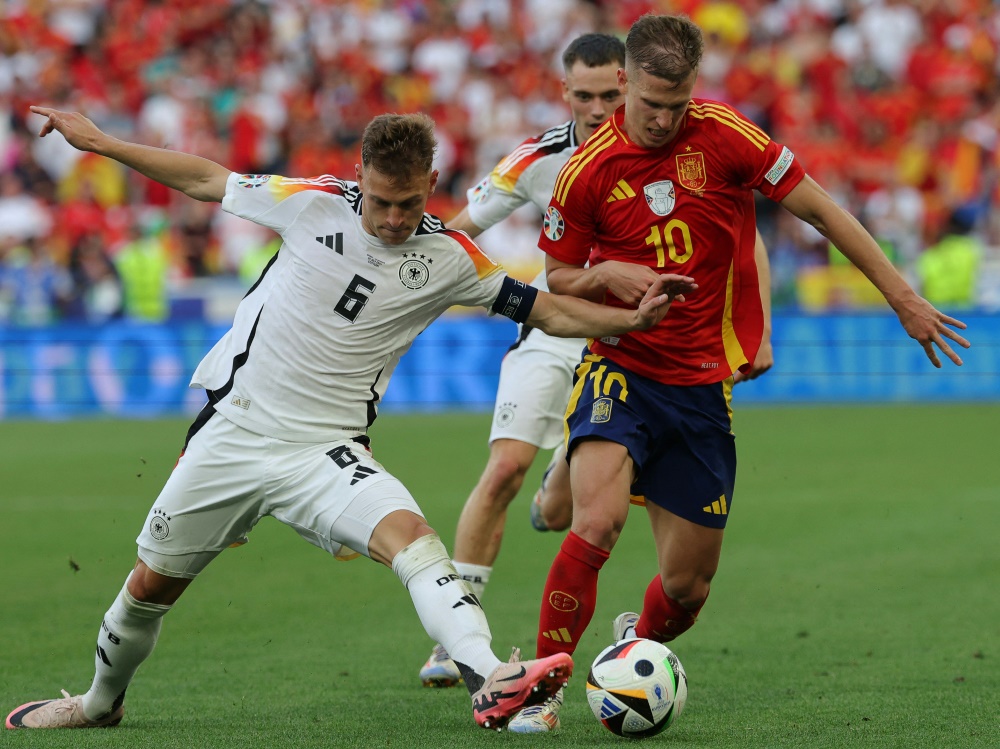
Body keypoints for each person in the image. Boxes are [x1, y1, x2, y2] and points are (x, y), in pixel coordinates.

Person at [6, 105, 698, 732]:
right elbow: (202, 179)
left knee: (415, 541)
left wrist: (628, 320)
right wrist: (99, 141)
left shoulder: (449, 258)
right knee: (150, 585)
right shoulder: (308, 205)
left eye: (411, 202)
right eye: (382, 202)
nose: (396, 219)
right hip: (236, 432)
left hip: (326, 451)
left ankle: (489, 676)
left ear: (431, 182)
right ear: (358, 174)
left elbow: (545, 308)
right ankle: (100, 702)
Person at [509, 14, 970, 733]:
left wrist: (902, 296)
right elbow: (558, 277)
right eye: (651, 104)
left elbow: (822, 210)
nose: (664, 119)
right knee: (595, 523)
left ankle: (636, 638)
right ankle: (539, 695)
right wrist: (612, 275)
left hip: (700, 388)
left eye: (679, 103)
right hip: (621, 367)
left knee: (688, 588)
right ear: (624, 82)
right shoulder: (585, 170)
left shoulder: (725, 136)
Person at [417, 33, 775, 710]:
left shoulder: (683, 142)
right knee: (510, 475)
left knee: (598, 520)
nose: (596, 107)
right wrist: (404, 277)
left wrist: (759, 321)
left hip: (657, 339)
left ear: (629, 84)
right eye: (582, 96)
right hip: (565, 327)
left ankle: (580, 473)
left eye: (608, 94)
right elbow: (464, 227)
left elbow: (738, 224)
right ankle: (459, 636)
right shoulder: (546, 157)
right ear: (565, 94)